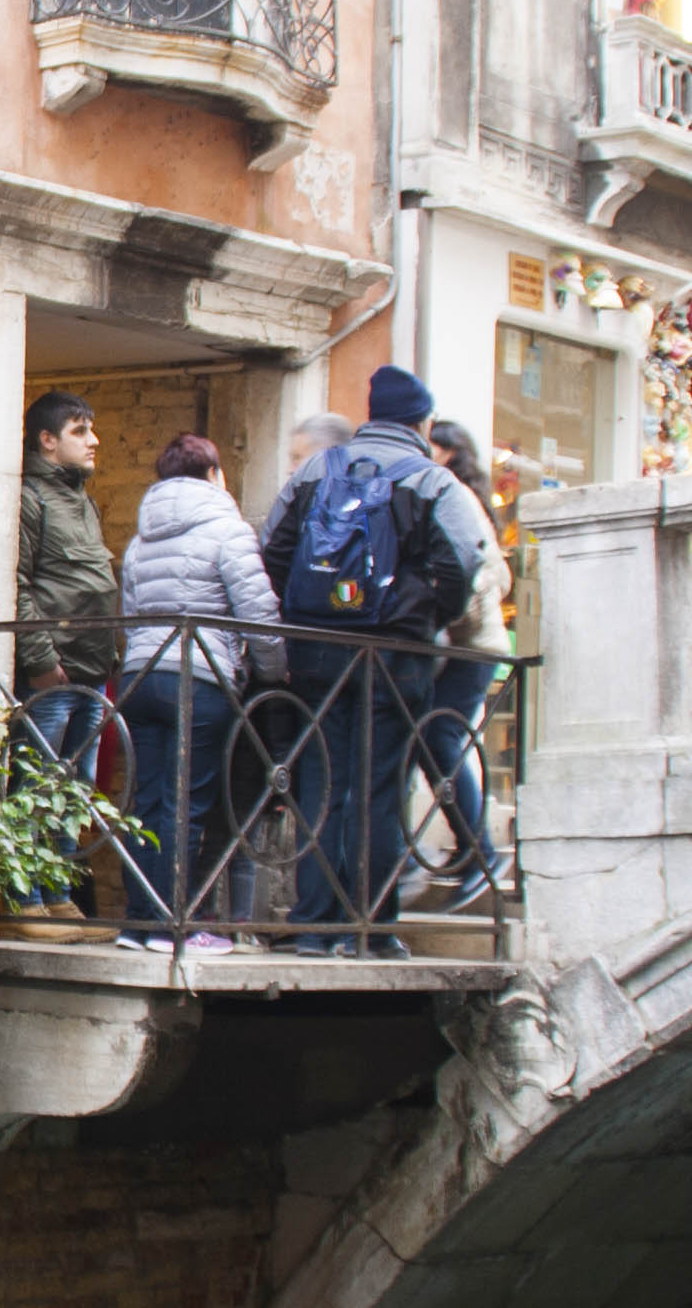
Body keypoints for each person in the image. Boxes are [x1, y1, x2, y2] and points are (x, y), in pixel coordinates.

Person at [258, 366, 482, 953]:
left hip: (316, 653)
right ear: (422, 422)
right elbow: (461, 565)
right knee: (380, 785)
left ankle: (313, 925)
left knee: (320, 780)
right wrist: (428, 618)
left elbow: (273, 548)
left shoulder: (316, 470)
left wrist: (304, 614)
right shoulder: (434, 482)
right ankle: (372, 927)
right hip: (395, 654)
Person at [113, 433, 276, 954]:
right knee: (186, 805)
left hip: (140, 676)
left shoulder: (140, 541)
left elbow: (132, 612)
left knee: (147, 802)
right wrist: (276, 671)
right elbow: (258, 613)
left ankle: (139, 922)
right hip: (199, 678)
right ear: (213, 475)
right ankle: (172, 926)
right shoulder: (230, 530)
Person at [7, 389, 119, 925]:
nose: (93, 440)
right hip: (54, 676)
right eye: (80, 431)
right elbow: (19, 584)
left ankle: (57, 895)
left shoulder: (81, 499)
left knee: (72, 793)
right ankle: (24, 900)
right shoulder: (32, 498)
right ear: (47, 440)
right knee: (35, 786)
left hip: (92, 674)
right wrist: (40, 662)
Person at [414, 420, 515, 907]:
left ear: (447, 452)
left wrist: (444, 615)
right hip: (456, 644)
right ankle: (467, 849)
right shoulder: (442, 489)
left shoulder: (451, 494)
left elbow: (484, 572)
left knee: (438, 736)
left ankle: (481, 851)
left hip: (470, 645)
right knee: (430, 738)